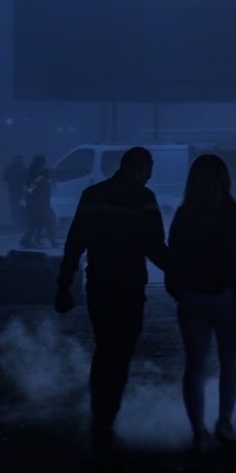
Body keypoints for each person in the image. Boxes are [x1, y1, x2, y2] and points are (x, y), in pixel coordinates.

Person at [53, 147, 169, 455]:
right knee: (122, 352)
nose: (151, 177)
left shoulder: (93, 195)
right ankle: (108, 415)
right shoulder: (144, 199)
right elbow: (155, 248)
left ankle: (100, 415)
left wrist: (63, 286)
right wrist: (185, 271)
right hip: (130, 287)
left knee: (105, 349)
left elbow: (74, 243)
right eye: (149, 170)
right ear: (140, 169)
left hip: (99, 286)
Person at [165, 154, 236, 452]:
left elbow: (174, 258)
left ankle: (199, 432)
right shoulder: (235, 213)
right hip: (227, 297)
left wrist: (178, 290)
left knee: (195, 366)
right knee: (230, 360)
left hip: (191, 298)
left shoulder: (183, 214)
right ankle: (224, 423)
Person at [20, 154, 57, 248]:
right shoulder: (34, 173)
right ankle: (53, 241)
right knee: (47, 222)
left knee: (35, 223)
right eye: (42, 162)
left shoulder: (37, 172)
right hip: (38, 204)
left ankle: (26, 240)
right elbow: (32, 188)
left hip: (40, 203)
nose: (43, 164)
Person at [3, 155, 26, 226]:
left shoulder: (11, 168)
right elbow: (5, 177)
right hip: (16, 189)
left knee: (17, 206)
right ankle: (16, 220)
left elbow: (5, 178)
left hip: (17, 189)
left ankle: (17, 220)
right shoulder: (22, 169)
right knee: (16, 206)